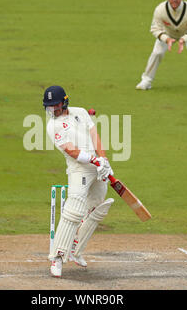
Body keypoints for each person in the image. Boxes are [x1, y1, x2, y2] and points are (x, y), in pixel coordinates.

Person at [43, 85, 115, 277]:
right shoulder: (53, 126)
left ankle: (76, 251)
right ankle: (57, 258)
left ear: (65, 102)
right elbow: (71, 151)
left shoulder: (81, 112)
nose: (52, 110)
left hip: (97, 166)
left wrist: (104, 160)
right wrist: (94, 160)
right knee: (74, 210)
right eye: (49, 107)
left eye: (55, 106)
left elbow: (95, 137)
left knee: (96, 207)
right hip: (79, 169)